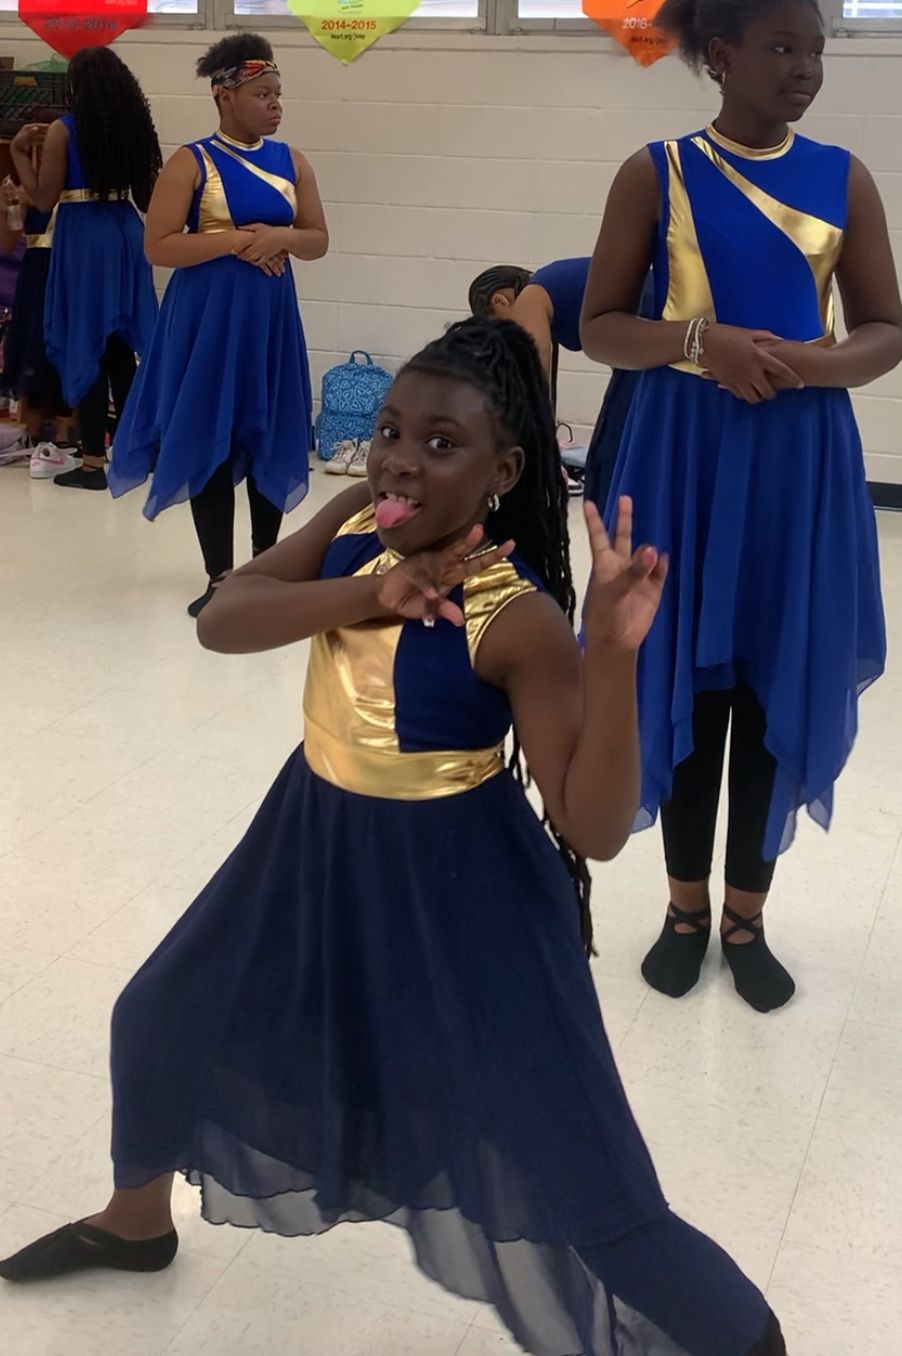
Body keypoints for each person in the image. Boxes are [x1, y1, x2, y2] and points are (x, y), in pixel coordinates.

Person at [0, 317, 785, 1356]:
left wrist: (611, 655)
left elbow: (590, 830)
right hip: (312, 837)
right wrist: (368, 593)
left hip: (455, 884)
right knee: (160, 1016)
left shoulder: (516, 621)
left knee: (581, 1173)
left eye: (442, 444)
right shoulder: (358, 521)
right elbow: (224, 614)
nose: (402, 462)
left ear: (505, 469)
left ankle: (741, 1340)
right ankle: (138, 1223)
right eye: (391, 434)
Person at [580, 0, 902, 1013]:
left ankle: (743, 916)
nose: (804, 66)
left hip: (794, 458)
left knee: (768, 683)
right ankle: (681, 910)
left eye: (814, 49)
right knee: (688, 679)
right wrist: (692, 342)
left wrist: (805, 365)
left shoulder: (842, 176)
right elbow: (596, 325)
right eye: (780, 47)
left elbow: (884, 328)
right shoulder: (654, 171)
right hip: (680, 450)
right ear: (717, 57)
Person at [109, 33, 327, 619]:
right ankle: (221, 576)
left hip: (270, 318)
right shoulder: (192, 161)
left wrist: (279, 238)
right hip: (206, 319)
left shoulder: (292, 161)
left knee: (266, 429)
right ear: (224, 95)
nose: (276, 104)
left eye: (279, 93)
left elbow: (318, 240)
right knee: (212, 430)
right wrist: (237, 242)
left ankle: (265, 568)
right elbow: (157, 246)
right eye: (263, 93)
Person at [10, 47, 160, 492]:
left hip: (83, 240)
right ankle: (136, 455)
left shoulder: (64, 130)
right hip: (125, 231)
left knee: (89, 347)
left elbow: (41, 198)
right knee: (119, 348)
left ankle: (93, 463)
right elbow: (151, 195)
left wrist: (20, 152)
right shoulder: (134, 128)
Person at [469, 260, 654, 505]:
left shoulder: (530, 297)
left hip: (650, 325)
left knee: (610, 454)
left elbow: (533, 382)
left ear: (499, 302)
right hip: (656, 325)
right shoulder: (551, 287)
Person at [0, 180, 77, 478]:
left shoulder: (74, 189)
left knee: (64, 345)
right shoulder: (26, 190)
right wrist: (11, 207)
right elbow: (8, 241)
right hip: (33, 276)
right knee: (31, 345)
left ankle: (65, 430)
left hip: (65, 272)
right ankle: (31, 430)